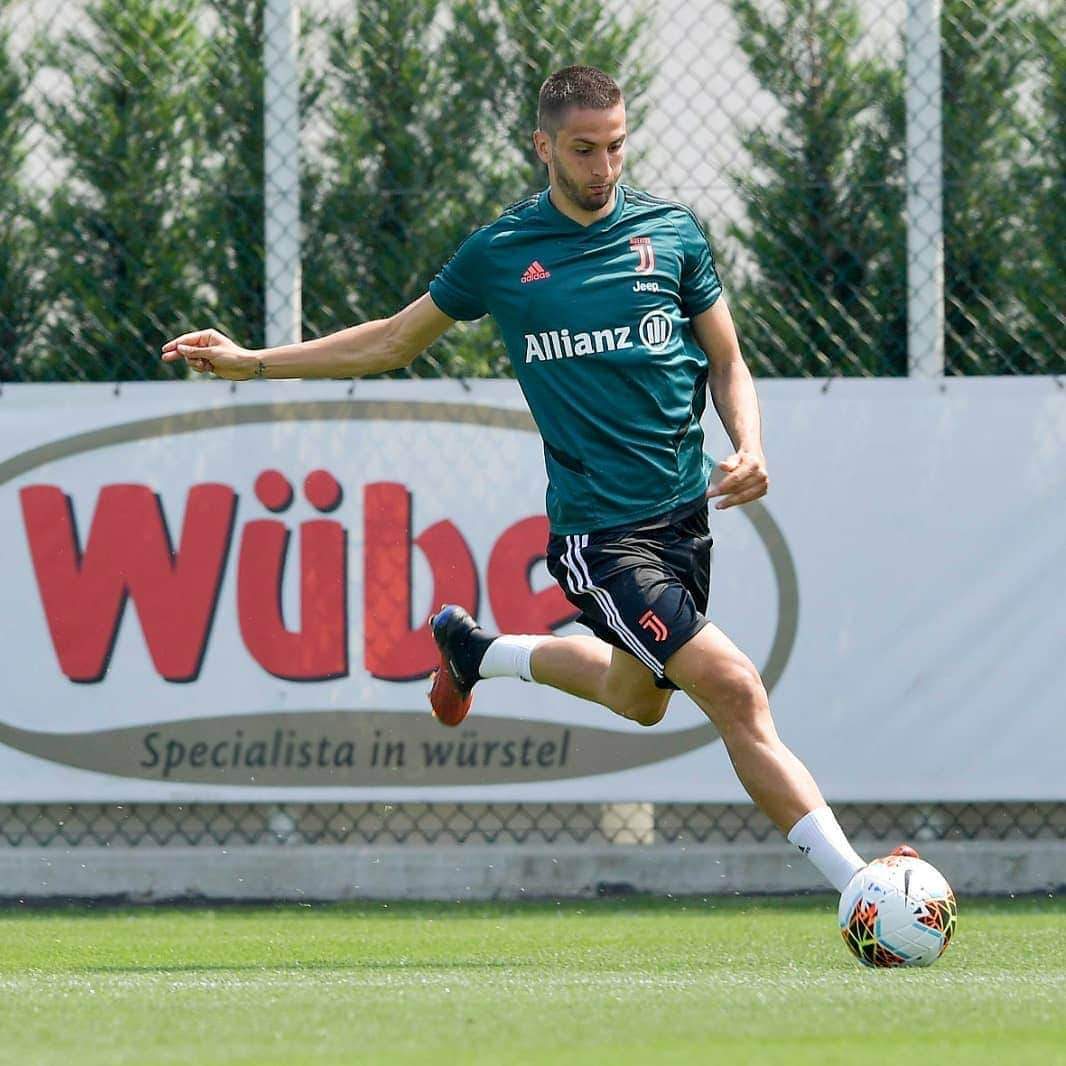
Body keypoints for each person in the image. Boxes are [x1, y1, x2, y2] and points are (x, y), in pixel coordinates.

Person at [163, 65, 878, 894]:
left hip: (684, 520)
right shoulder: (504, 252)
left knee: (639, 699)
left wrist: (749, 442)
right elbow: (393, 341)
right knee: (733, 688)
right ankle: (859, 889)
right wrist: (252, 363)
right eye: (582, 149)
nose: (602, 167)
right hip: (601, 536)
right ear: (544, 147)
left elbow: (726, 358)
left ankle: (476, 650)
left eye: (615, 146)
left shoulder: (674, 233)